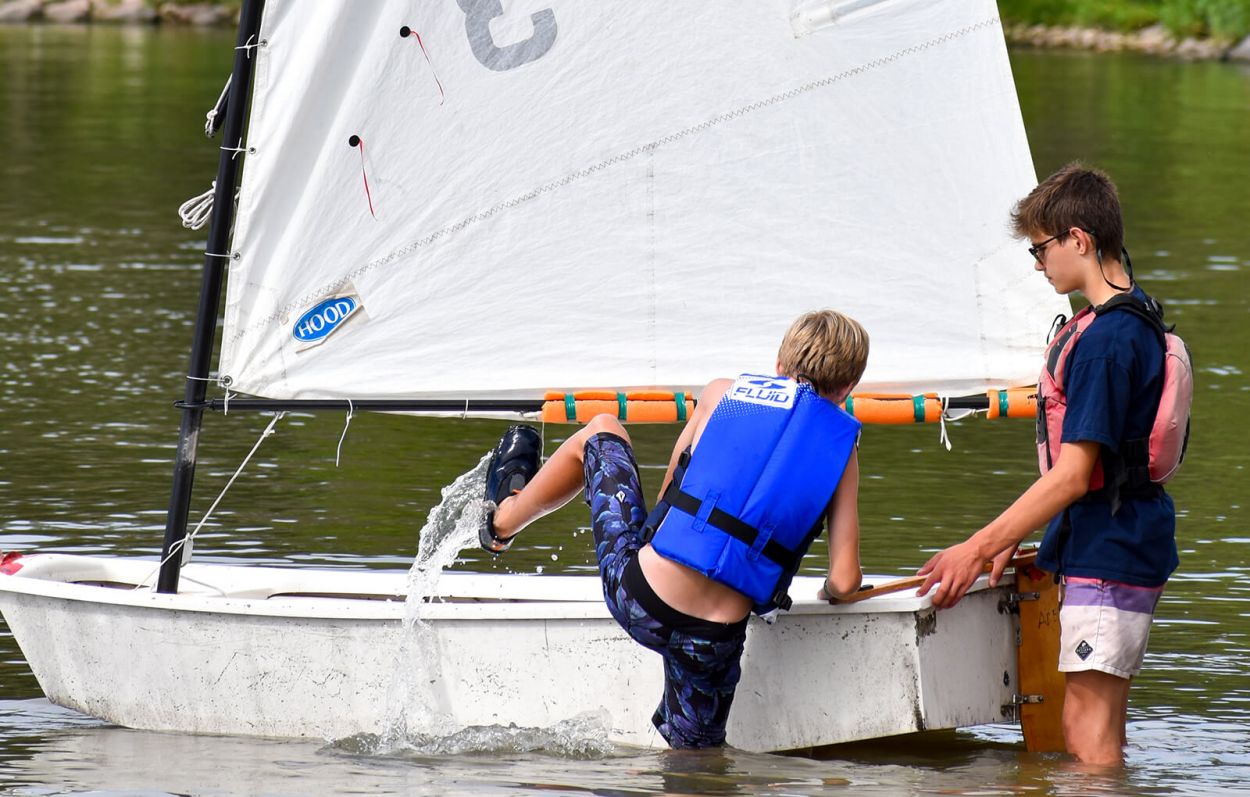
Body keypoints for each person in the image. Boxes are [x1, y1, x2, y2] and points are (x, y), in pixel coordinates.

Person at [477, 309, 870, 749]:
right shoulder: (843, 451)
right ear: (849, 388)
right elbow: (843, 580)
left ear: (778, 366)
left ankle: (501, 524)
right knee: (696, 769)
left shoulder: (724, 394)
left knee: (602, 430)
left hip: (641, 597)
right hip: (712, 642)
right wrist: (834, 596)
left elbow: (668, 495)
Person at [916, 163, 1179, 766]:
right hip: (1120, 540)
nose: (1037, 265)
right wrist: (1031, 538)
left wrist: (976, 548)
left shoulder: (1108, 344)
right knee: (1097, 725)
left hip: (1111, 553)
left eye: (1040, 249)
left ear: (1079, 240)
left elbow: (1071, 473)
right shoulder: (1132, 318)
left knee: (1086, 734)